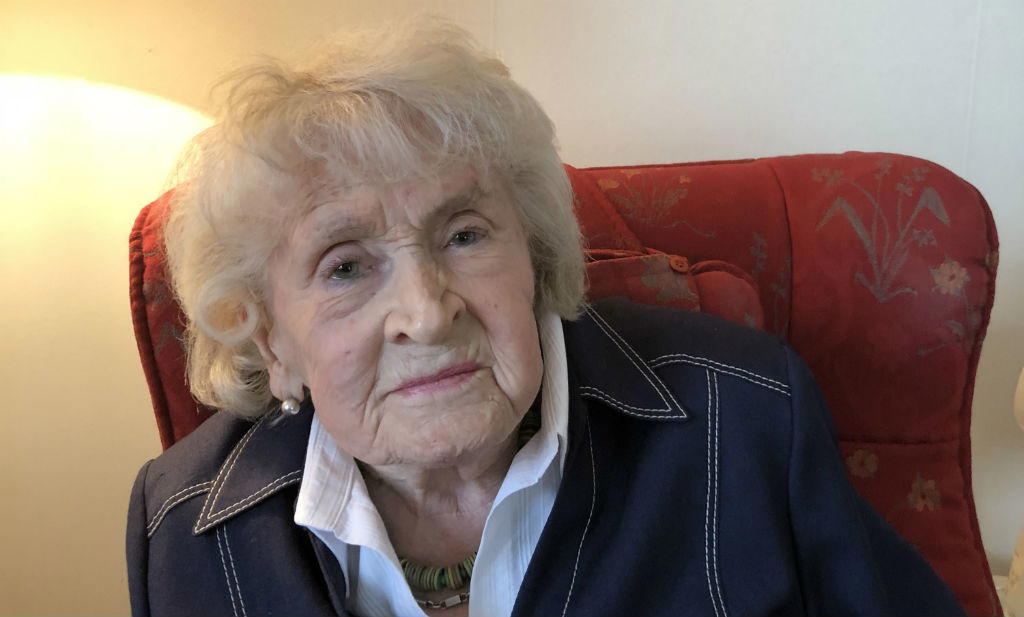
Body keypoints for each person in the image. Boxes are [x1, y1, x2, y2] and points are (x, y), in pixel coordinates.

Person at [126, 19, 966, 617]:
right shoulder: (185, 523)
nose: (428, 312)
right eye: (345, 266)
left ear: (533, 252)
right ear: (271, 341)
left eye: (464, 234)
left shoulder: (746, 417)